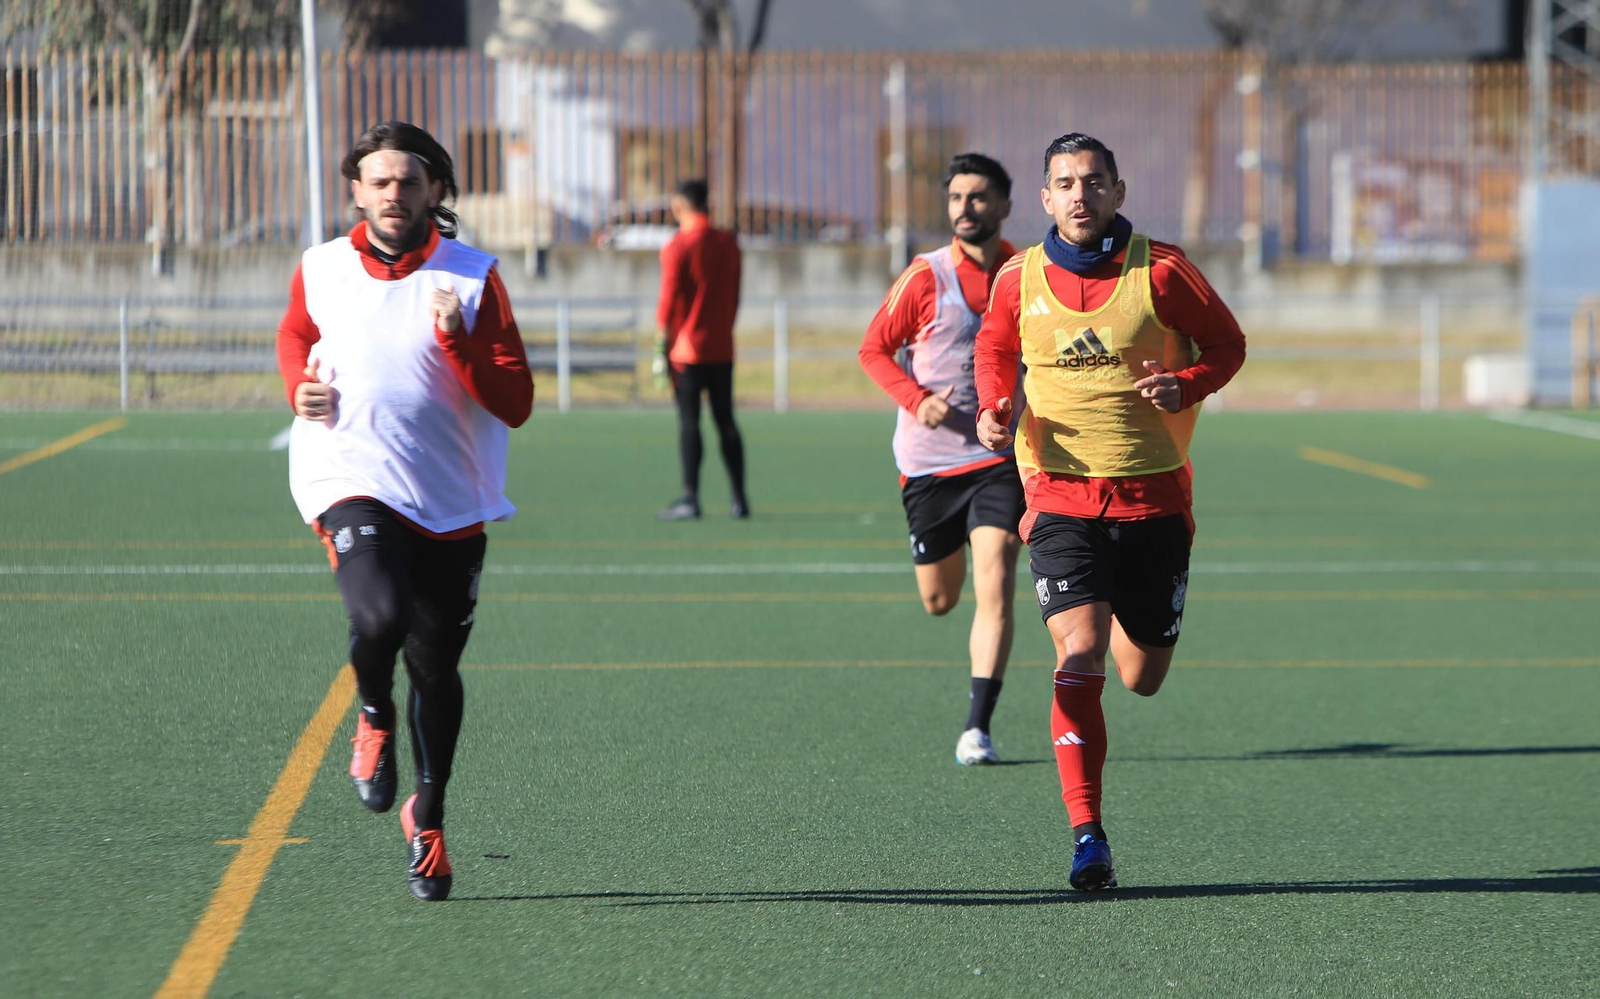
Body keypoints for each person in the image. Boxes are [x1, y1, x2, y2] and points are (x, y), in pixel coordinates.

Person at [974, 133, 1246, 890]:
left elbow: (1227, 344)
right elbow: (995, 348)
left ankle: (1130, 620)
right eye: (1065, 184)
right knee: (1079, 652)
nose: (1080, 195)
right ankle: (1087, 833)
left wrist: (1187, 384)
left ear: (1119, 192)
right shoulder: (1017, 277)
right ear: (1045, 198)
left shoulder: (1163, 271)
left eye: (1094, 182)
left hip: (1153, 498)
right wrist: (994, 406)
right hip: (1058, 494)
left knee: (1142, 675)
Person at [276, 121, 533, 901]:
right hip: (348, 476)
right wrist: (297, 385)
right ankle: (373, 712)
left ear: (436, 191)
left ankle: (429, 816)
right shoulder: (321, 266)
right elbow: (296, 333)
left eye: (409, 181)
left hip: (449, 501)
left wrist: (458, 342)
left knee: (436, 669)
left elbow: (515, 401)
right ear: (356, 190)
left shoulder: (473, 277)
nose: (394, 194)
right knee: (378, 614)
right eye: (379, 181)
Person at [858, 152, 1024, 766]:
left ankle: (977, 727)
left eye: (977, 197)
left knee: (996, 576)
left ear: (1005, 205)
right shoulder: (925, 275)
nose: (964, 208)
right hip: (929, 465)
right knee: (940, 600)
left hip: (999, 457)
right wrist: (915, 398)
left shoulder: (1028, 274)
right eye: (956, 197)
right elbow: (873, 350)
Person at [654, 178, 748, 521]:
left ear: (680, 205)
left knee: (689, 422)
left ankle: (691, 497)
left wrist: (660, 345)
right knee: (726, 420)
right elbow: (735, 295)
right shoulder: (729, 243)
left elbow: (668, 299)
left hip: (687, 350)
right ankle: (739, 498)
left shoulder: (677, 246)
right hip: (722, 346)